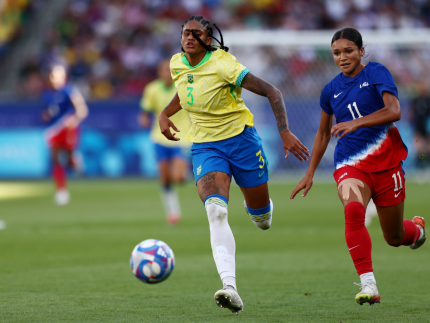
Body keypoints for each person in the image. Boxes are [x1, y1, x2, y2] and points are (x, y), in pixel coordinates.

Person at [158, 15, 309, 314]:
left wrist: (284, 132)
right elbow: (186, 90)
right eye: (184, 32)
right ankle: (230, 287)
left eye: (195, 33)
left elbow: (272, 91)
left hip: (241, 142)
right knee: (215, 211)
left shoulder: (224, 64)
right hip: (205, 146)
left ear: (209, 39)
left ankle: (260, 208)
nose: (188, 37)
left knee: (262, 220)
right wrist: (165, 113)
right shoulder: (177, 63)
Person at [291, 28, 426, 306]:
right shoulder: (330, 90)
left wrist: (356, 122)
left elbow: (394, 111)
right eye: (337, 53)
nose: (342, 57)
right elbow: (322, 134)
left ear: (361, 51)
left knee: (394, 237)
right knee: (353, 210)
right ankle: (368, 284)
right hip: (350, 165)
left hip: (387, 165)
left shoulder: (376, 72)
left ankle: (417, 231)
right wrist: (310, 173)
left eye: (349, 51)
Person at [139, 59, 192, 225]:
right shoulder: (152, 89)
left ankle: (184, 174)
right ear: (159, 72)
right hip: (159, 136)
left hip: (181, 137)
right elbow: (145, 111)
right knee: (164, 177)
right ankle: (173, 212)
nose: (167, 73)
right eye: (164, 70)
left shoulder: (183, 86)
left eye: (170, 70)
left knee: (177, 177)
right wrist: (144, 119)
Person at [42, 65, 88, 205]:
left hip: (67, 128)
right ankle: (61, 191)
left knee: (68, 160)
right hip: (53, 129)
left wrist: (73, 120)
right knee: (55, 159)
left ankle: (74, 160)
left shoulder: (70, 91)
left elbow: (82, 109)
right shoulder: (46, 94)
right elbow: (48, 112)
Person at [411, 80, 430, 171]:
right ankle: (420, 165)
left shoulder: (428, 99)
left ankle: (427, 164)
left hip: (427, 126)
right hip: (418, 126)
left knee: (428, 147)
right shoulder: (416, 100)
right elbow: (412, 113)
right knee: (419, 147)